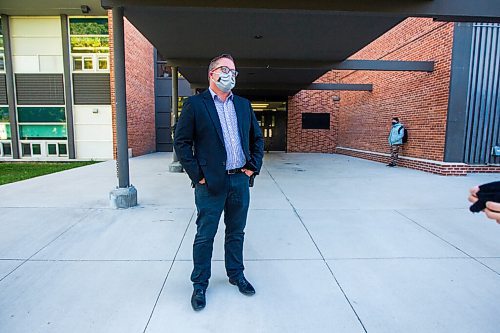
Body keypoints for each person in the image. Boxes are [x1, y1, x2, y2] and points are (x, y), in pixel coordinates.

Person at [174, 54, 264, 311]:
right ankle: (199, 284)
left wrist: (251, 169)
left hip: (239, 181)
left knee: (236, 232)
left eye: (234, 71)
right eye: (224, 69)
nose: (230, 74)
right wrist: (198, 175)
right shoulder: (195, 104)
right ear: (211, 74)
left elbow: (257, 140)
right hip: (210, 184)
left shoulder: (244, 105)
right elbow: (181, 142)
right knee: (205, 235)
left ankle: (236, 274)